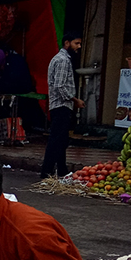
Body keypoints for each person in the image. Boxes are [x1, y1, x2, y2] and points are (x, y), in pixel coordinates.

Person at [41, 33, 84, 178]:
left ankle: (61, 169)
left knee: (61, 139)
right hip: (61, 105)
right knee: (56, 139)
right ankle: (46, 171)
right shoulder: (63, 61)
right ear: (67, 43)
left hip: (61, 105)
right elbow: (59, 86)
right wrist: (75, 100)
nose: (78, 47)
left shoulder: (61, 59)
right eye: (76, 43)